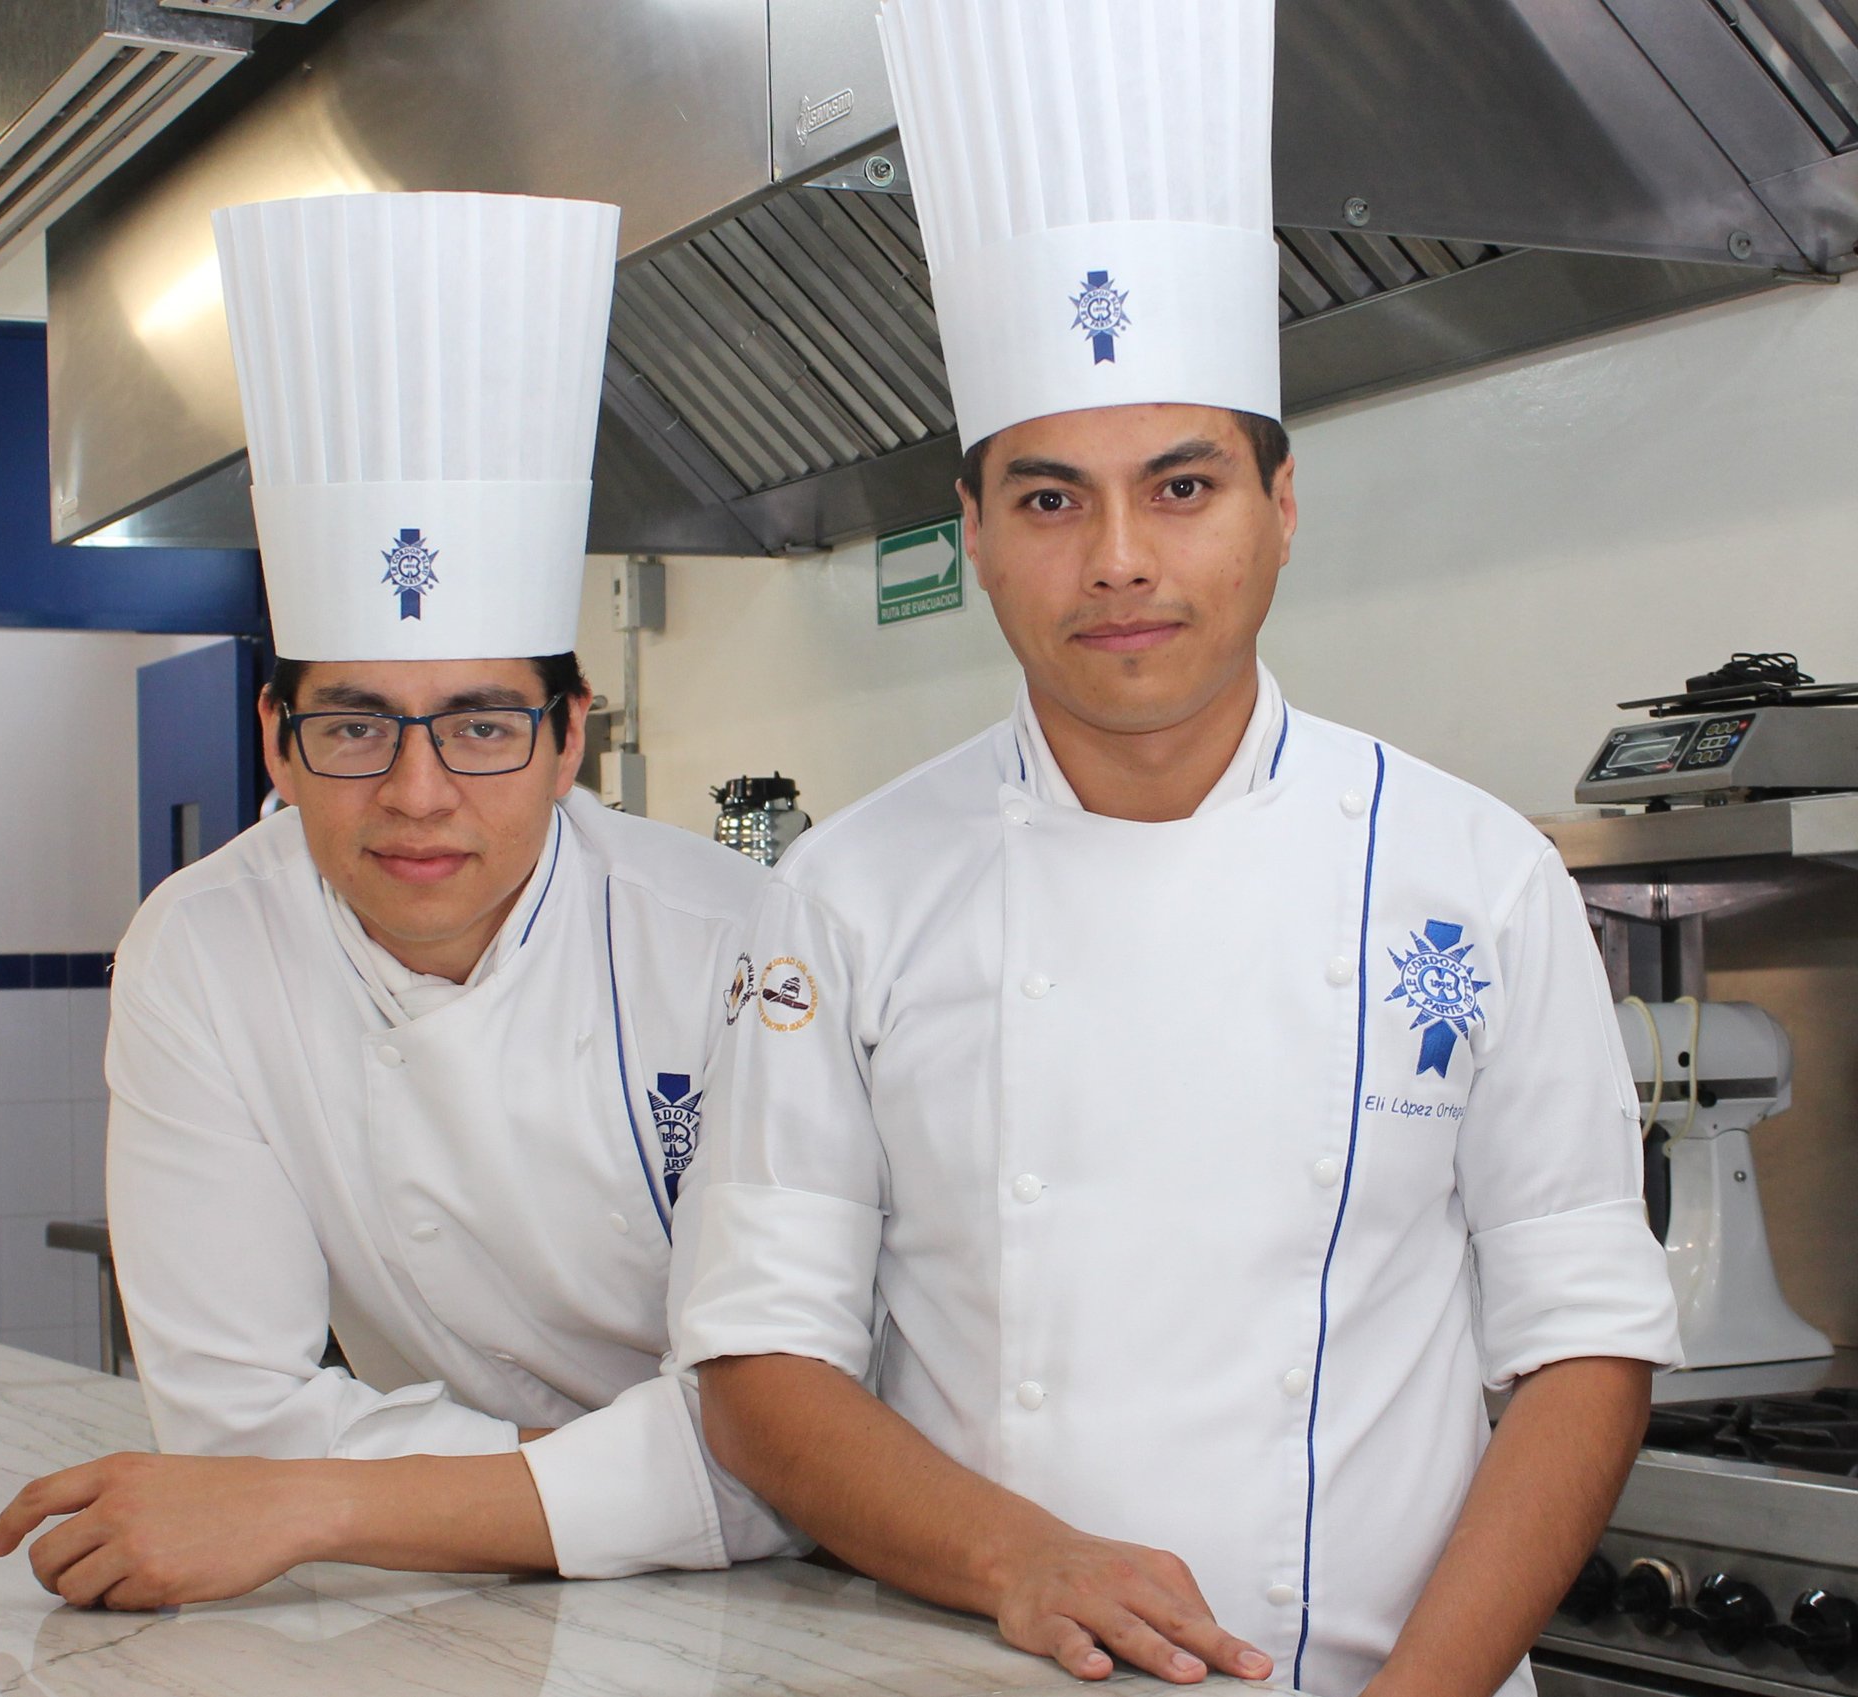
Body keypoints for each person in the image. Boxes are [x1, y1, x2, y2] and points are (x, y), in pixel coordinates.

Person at [669, 3, 1682, 1693]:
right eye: (1053, 498)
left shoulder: (1476, 877)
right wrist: (1025, 1556)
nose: (1121, 560)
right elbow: (757, 1363)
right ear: (979, 539)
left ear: (1283, 511)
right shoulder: (846, 895)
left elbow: (1584, 1340)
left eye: (1185, 486)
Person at [0, 192, 786, 1608]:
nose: (418, 793)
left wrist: (329, 1499)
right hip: (495, 1604)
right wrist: (632, 1487)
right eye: (355, 727)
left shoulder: (735, 944)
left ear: (570, 736)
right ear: (274, 740)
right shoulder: (202, 949)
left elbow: (796, 1431)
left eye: (479, 725)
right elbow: (239, 1420)